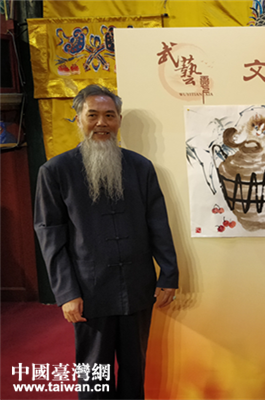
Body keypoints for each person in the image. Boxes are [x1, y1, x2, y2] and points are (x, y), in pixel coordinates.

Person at [34, 84, 179, 400]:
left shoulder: (140, 167)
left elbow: (158, 223)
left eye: (110, 115)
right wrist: (67, 293)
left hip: (137, 287)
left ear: (119, 120)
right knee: (94, 374)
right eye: (93, 115)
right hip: (89, 290)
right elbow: (50, 235)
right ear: (78, 119)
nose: (102, 123)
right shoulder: (55, 171)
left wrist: (169, 273)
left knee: (134, 370)